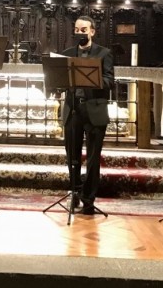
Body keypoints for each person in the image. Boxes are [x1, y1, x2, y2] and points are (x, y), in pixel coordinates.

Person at [60, 15, 114, 215]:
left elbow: (110, 81)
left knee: (92, 158)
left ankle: (89, 200)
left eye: (84, 30)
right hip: (73, 109)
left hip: (94, 110)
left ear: (92, 31)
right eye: (77, 29)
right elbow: (60, 80)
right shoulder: (67, 54)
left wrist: (92, 77)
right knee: (72, 156)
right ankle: (74, 192)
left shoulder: (104, 53)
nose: (80, 33)